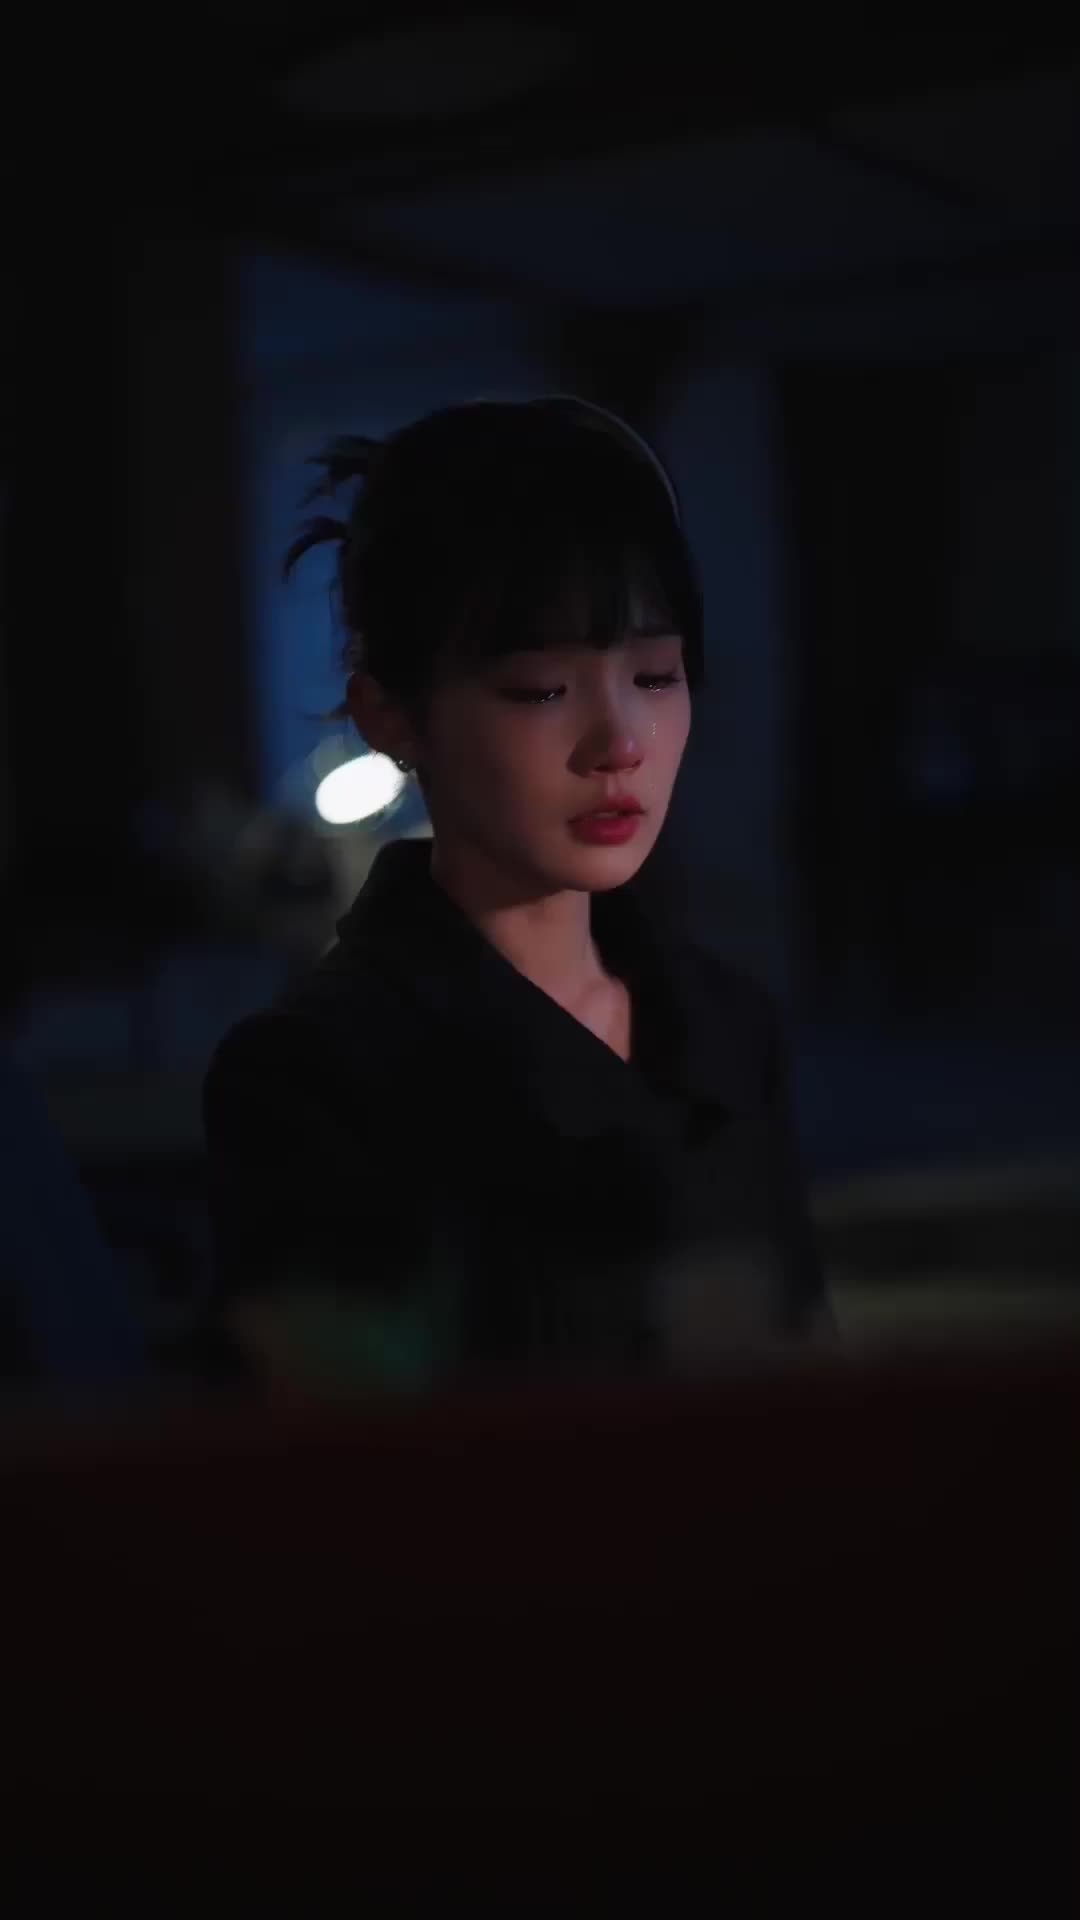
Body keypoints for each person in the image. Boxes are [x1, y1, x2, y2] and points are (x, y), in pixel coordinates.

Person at [203, 396, 830, 1397]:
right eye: (542, 689)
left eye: (656, 676)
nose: (620, 743)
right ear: (390, 713)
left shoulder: (726, 1026)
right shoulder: (317, 1076)